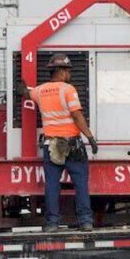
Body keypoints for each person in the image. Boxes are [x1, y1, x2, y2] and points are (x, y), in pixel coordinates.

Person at [17, 53, 98, 232]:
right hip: (72, 144)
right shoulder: (68, 90)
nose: (70, 73)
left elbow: (26, 93)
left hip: (52, 146)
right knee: (80, 183)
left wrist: (21, 88)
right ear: (61, 71)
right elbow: (77, 115)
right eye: (68, 70)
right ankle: (85, 221)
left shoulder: (40, 90)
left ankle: (52, 223)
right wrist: (90, 137)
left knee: (52, 184)